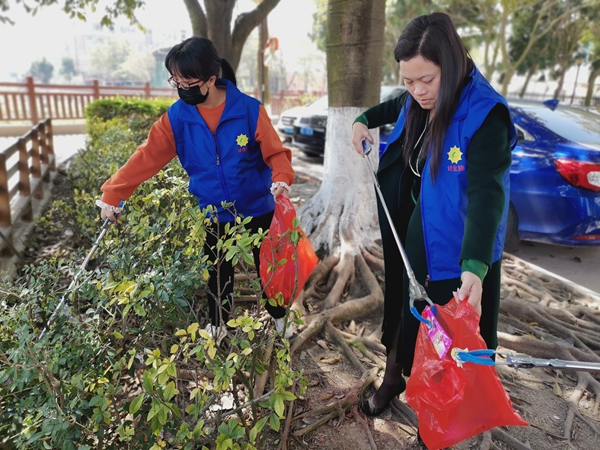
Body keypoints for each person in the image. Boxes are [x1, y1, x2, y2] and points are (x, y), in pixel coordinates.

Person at [351, 12, 516, 420]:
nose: (418, 92)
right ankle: (394, 379)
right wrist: (362, 120)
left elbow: (487, 195)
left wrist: (474, 266)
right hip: (416, 228)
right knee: (405, 309)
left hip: (459, 247)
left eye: (426, 80)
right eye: (409, 81)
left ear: (452, 63)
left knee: (446, 335)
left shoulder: (485, 115)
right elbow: (396, 104)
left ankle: (435, 425)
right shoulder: (416, 97)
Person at [96, 37, 296, 341]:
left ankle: (280, 316)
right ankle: (218, 324)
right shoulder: (177, 118)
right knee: (217, 270)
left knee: (269, 265)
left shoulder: (248, 110)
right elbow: (145, 156)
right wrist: (114, 193)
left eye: (187, 82)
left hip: (257, 205)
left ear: (210, 80)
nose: (180, 87)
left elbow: (275, 151)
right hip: (215, 209)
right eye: (175, 81)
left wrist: (281, 176)